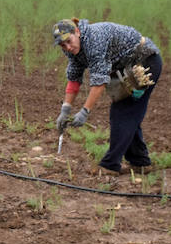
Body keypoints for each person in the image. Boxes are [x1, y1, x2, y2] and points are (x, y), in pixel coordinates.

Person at [53, 18, 163, 175]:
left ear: (77, 32)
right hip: (125, 68)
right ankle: (140, 162)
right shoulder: (72, 48)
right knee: (128, 112)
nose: (68, 47)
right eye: (63, 45)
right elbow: (74, 76)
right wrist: (65, 109)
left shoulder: (94, 39)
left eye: (69, 41)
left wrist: (85, 111)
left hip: (144, 62)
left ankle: (110, 165)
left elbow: (99, 82)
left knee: (123, 112)